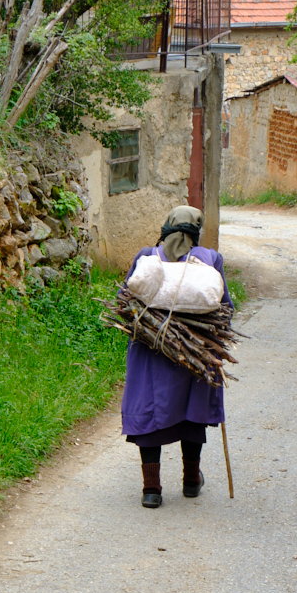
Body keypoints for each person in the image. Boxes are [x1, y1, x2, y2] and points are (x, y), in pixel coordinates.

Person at [121, 206, 234, 508]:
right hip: (194, 355)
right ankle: (191, 481)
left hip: (151, 352)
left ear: (167, 226)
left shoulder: (147, 256)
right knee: (191, 412)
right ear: (196, 231)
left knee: (149, 414)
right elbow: (225, 309)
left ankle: (151, 489)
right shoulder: (210, 259)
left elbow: (125, 301)